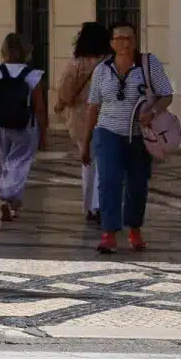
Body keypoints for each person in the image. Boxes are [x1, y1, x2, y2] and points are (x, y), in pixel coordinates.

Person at [84, 21, 173, 254]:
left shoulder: (149, 63)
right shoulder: (102, 70)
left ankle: (135, 230)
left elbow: (167, 95)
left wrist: (152, 112)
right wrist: (86, 142)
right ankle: (109, 234)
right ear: (112, 43)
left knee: (137, 184)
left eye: (130, 39)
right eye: (120, 39)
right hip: (108, 131)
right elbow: (93, 106)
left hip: (139, 136)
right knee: (109, 181)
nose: (126, 43)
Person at [0, 32, 49, 222]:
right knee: (19, 163)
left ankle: (10, 203)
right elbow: (40, 108)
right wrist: (43, 133)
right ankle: (8, 194)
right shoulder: (33, 76)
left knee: (2, 163)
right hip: (25, 126)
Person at [56, 22, 112, 223]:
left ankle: (90, 206)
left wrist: (62, 104)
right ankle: (99, 204)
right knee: (103, 162)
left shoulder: (76, 64)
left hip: (80, 118)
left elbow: (65, 91)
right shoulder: (110, 62)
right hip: (108, 115)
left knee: (87, 162)